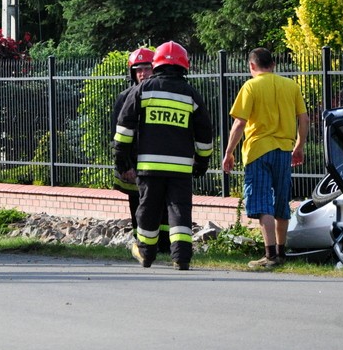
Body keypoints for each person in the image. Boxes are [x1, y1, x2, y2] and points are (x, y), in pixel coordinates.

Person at [114, 41, 214, 270]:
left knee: (148, 208)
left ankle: (146, 254)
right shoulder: (191, 94)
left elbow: (124, 125)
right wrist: (202, 161)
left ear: (156, 64)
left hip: (149, 167)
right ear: (184, 65)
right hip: (180, 168)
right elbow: (205, 132)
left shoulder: (143, 89)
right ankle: (181, 258)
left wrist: (121, 157)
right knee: (179, 211)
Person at [221, 47, 309, 269]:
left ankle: (269, 256)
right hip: (284, 151)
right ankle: (281, 253)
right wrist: (299, 146)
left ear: (252, 65)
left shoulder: (251, 86)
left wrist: (229, 151)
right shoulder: (291, 86)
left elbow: (239, 123)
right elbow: (304, 118)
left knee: (262, 203)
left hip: (258, 151)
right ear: (273, 65)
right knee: (281, 202)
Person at [110, 47, 169, 251]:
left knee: (162, 205)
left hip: (157, 162)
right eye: (139, 70)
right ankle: (141, 243)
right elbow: (117, 135)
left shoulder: (162, 95)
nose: (143, 74)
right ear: (132, 73)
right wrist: (125, 165)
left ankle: (164, 245)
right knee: (137, 205)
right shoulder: (124, 97)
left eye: (147, 69)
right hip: (133, 163)